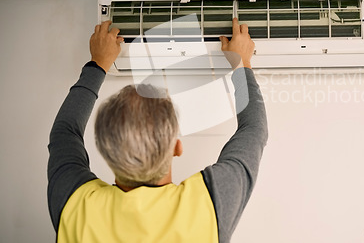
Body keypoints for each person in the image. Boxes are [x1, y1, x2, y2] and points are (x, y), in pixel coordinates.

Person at [47, 18, 268, 242]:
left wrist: (98, 64)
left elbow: (65, 132)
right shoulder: (210, 203)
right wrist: (242, 63)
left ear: (105, 151)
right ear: (177, 147)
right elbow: (254, 130)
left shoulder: (75, 204)